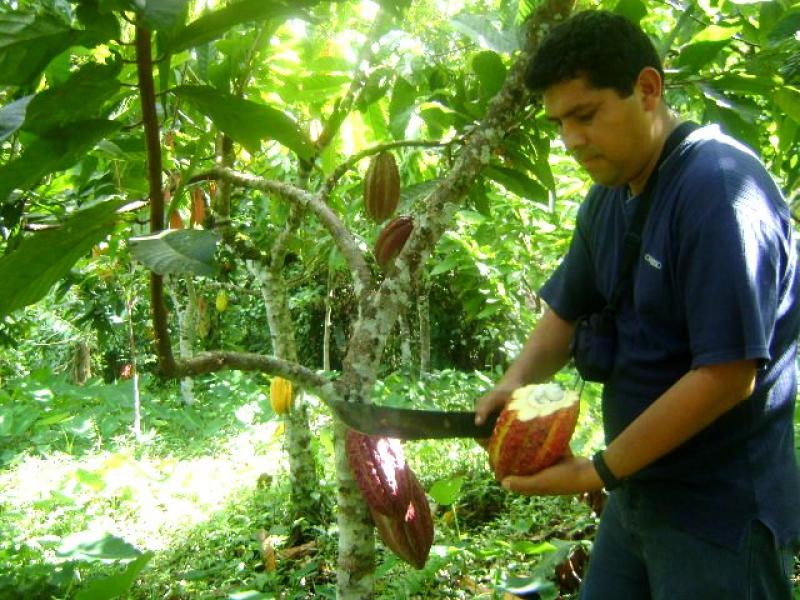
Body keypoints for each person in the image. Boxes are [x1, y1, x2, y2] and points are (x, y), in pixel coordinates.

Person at [474, 10, 800, 599]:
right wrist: (515, 380)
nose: (572, 140)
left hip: (716, 513)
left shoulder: (718, 190)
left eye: (586, 114)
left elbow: (728, 375)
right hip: (637, 494)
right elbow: (565, 311)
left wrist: (594, 471)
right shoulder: (611, 193)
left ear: (648, 90)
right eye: (559, 123)